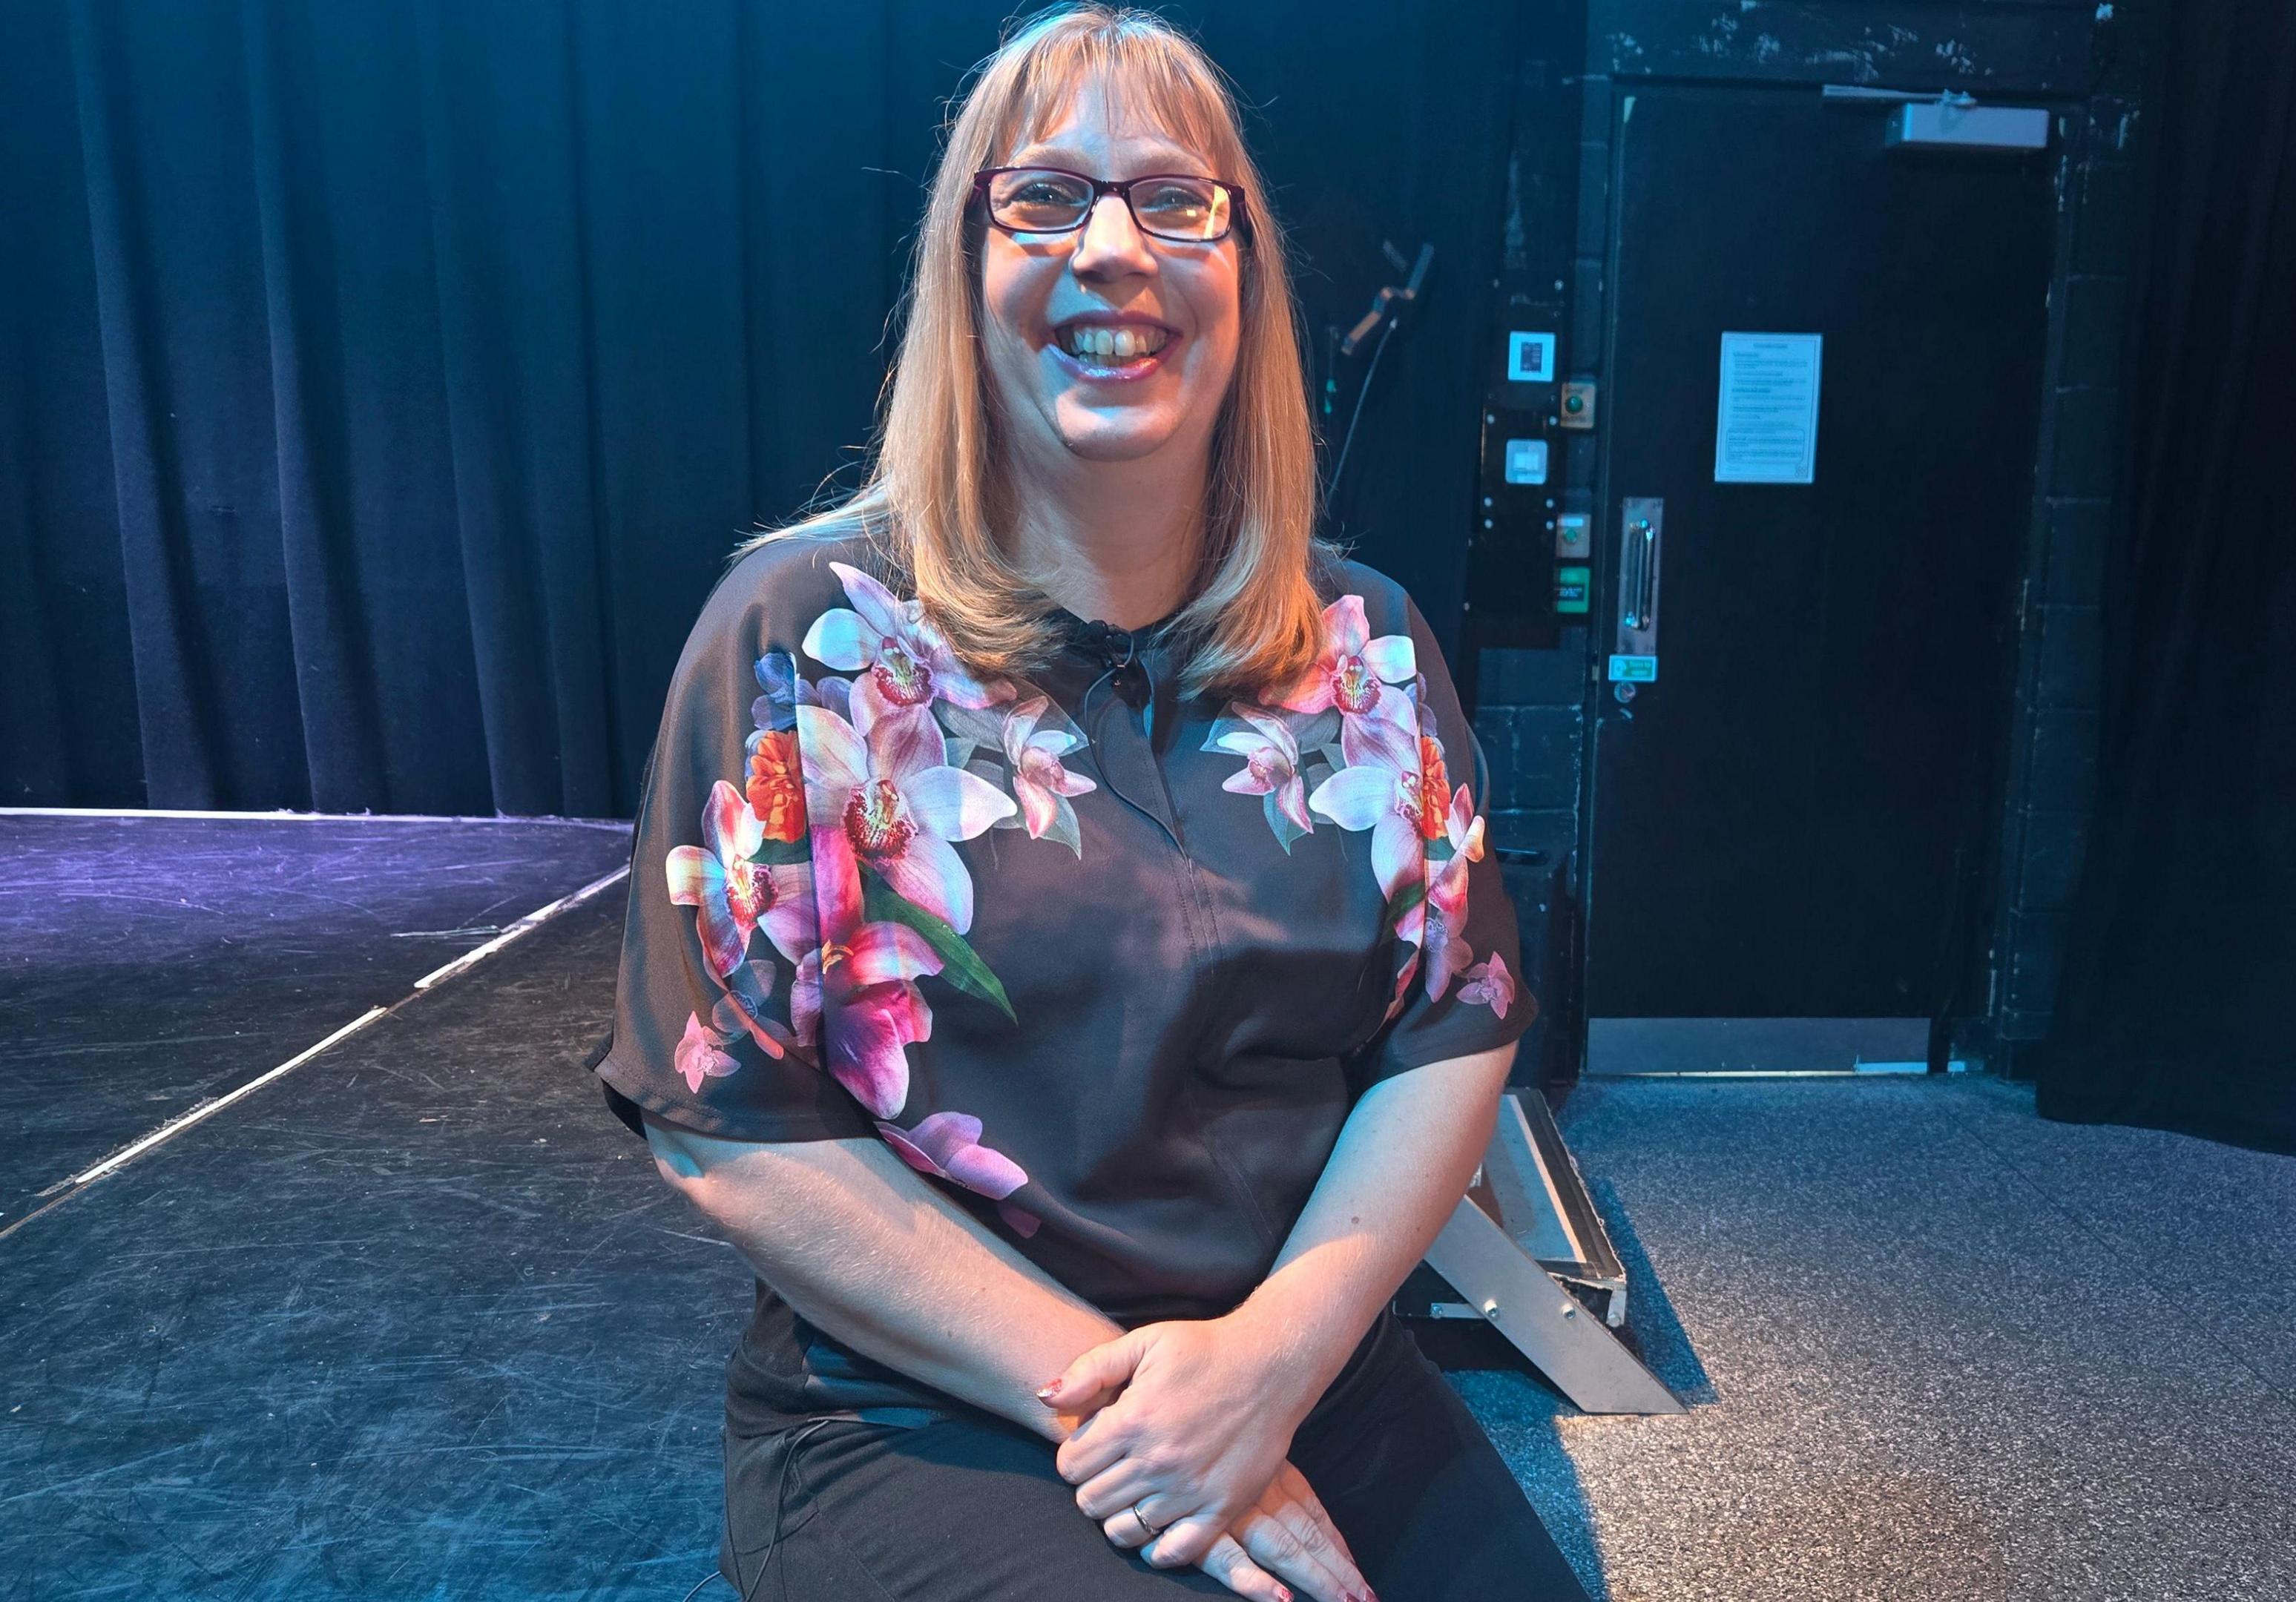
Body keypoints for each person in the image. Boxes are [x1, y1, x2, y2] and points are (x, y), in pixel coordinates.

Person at [589, 7, 1592, 1599]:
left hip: (1304, 1357)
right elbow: (731, 1126)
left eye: (1176, 200)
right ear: (965, 276)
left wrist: (1266, 1366)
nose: (1112, 248)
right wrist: (1152, 1415)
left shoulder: (1373, 645)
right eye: (1043, 199)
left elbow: (1452, 1035)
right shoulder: (802, 640)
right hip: (928, 1397)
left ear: (1245, 273)